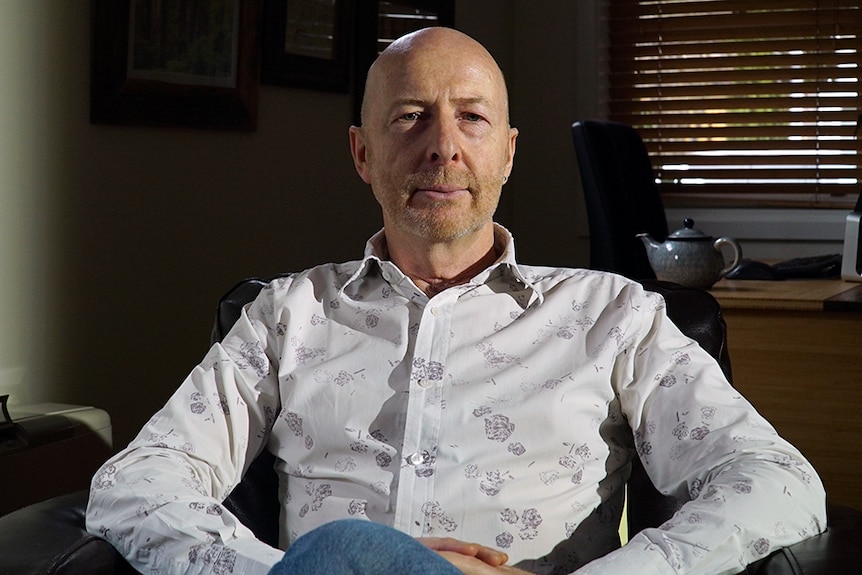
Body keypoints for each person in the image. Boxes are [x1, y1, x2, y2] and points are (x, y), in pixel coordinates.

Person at [86, 27, 826, 575]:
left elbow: (777, 481)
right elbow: (134, 486)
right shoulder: (287, 314)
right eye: (410, 115)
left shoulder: (613, 314)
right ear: (362, 154)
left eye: (471, 117)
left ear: (506, 151)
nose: (443, 145)